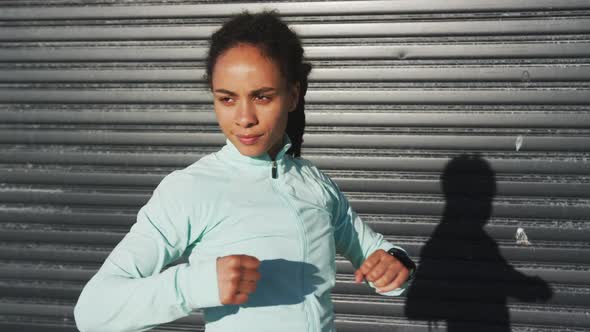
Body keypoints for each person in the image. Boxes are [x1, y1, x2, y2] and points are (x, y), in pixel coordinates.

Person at [74, 10, 414, 332]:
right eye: (227, 99)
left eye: (262, 97)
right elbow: (94, 311)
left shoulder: (314, 182)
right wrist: (195, 284)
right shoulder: (190, 189)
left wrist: (394, 267)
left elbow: (379, 254)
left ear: (292, 95)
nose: (244, 118)